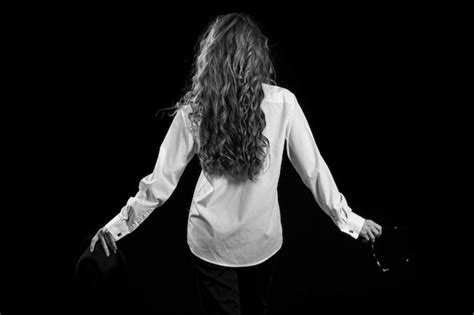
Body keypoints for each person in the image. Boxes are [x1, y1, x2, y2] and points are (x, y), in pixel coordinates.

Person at [89, 12, 382, 315]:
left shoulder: (195, 110)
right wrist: (351, 221)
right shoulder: (282, 103)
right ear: (258, 55)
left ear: (211, 57)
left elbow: (158, 184)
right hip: (257, 241)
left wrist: (115, 227)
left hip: (217, 242)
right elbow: (314, 171)